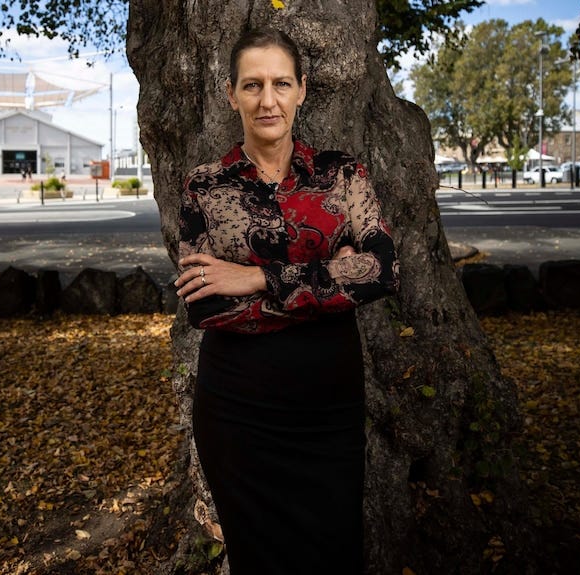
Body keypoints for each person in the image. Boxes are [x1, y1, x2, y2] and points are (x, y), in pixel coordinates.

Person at [174, 27, 399, 575]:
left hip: (328, 402)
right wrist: (332, 279)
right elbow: (207, 307)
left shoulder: (344, 175)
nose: (267, 100)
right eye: (252, 85)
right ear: (231, 94)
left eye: (280, 84)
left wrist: (253, 279)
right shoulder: (204, 187)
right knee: (260, 560)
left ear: (302, 89)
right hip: (237, 407)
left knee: (335, 552)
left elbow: (383, 271)